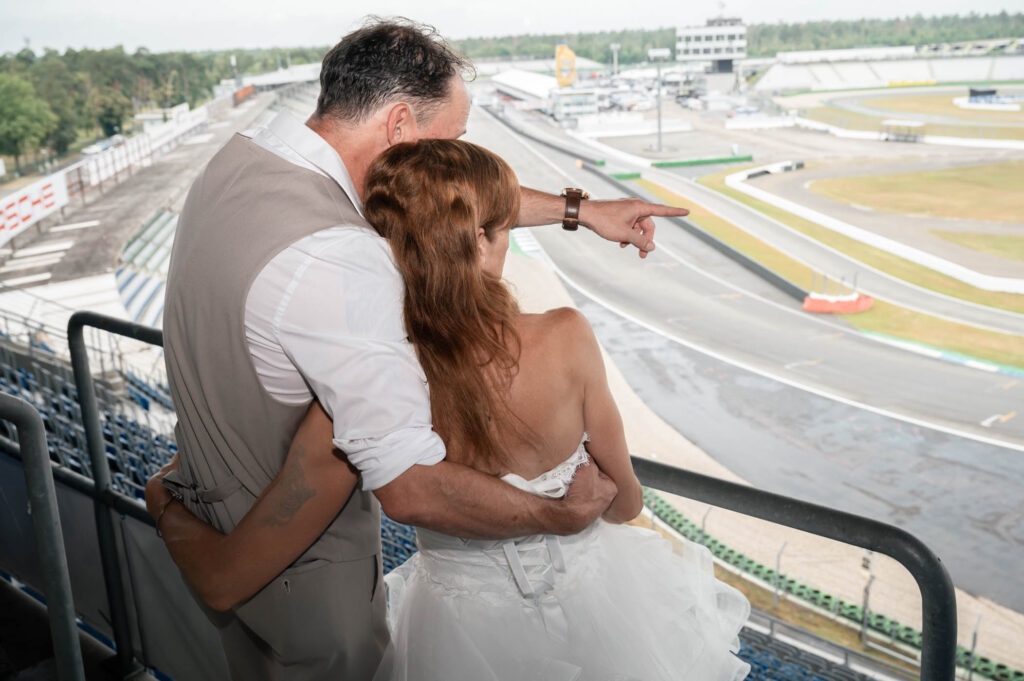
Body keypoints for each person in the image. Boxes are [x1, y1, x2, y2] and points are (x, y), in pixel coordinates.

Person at [153, 17, 690, 681]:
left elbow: (446, 203)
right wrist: (559, 515)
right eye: (455, 138)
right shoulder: (343, 265)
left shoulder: (247, 157)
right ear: (401, 126)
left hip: (228, 505)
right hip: (311, 603)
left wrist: (580, 210)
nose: (456, 156)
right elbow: (408, 487)